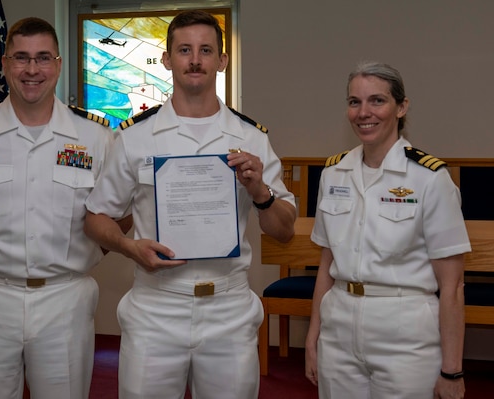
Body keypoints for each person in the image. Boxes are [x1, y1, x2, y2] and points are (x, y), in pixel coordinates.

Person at [83, 9, 297, 399]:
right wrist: (131, 248)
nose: (195, 60)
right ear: (167, 59)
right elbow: (97, 218)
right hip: (156, 306)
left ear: (222, 60)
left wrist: (260, 192)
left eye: (205, 50)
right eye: (184, 50)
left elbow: (283, 230)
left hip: (228, 308)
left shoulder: (251, 137)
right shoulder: (135, 137)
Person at [0, 17, 126, 399]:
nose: (32, 70)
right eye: (22, 58)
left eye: (43, 58)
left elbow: (120, 213)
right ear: (4, 64)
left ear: (59, 65)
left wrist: (87, 251)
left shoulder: (96, 137)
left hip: (65, 299)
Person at [304, 61, 470, 399]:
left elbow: (452, 286)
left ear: (401, 107)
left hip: (405, 336)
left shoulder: (429, 178)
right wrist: (313, 337)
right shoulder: (334, 173)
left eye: (377, 101)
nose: (364, 112)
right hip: (338, 330)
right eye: (355, 102)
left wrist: (452, 369)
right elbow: (326, 265)